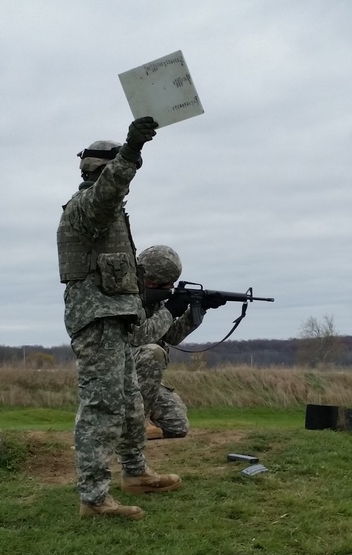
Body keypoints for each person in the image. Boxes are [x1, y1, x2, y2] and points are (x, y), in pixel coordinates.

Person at [57, 117, 182, 521]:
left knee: (129, 404)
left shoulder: (105, 215)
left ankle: (135, 473)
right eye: (118, 171)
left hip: (115, 319)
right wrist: (132, 149)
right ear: (104, 170)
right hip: (97, 321)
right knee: (102, 405)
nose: (125, 184)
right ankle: (93, 499)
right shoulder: (88, 208)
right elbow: (110, 190)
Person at [131, 245, 224, 439]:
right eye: (166, 285)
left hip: (143, 385)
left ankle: (131, 420)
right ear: (151, 280)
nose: (170, 288)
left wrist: (199, 309)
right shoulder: (126, 298)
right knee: (153, 352)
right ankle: (135, 423)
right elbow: (140, 337)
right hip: (120, 377)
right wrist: (170, 311)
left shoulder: (156, 301)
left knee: (177, 425)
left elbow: (171, 336)